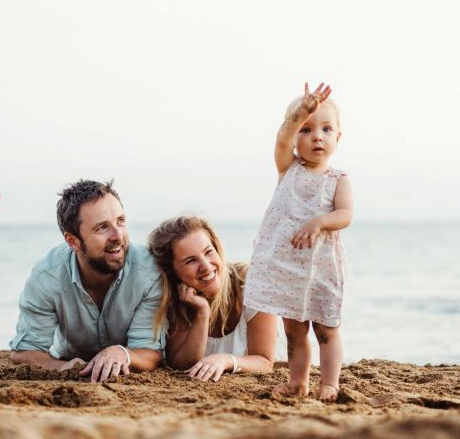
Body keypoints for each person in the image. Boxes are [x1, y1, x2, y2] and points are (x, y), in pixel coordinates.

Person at [243, 82, 353, 402]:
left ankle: (329, 382)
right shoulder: (287, 168)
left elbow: (345, 214)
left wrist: (319, 221)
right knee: (294, 331)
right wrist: (296, 115)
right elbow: (281, 139)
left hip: (321, 268)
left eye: (326, 128)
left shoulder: (338, 180)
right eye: (306, 129)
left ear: (337, 138)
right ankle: (297, 382)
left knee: (326, 329)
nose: (317, 136)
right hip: (288, 268)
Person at [10, 180, 163, 382]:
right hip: (69, 358)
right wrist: (62, 366)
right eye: (102, 228)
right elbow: (24, 352)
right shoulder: (46, 277)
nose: (118, 236)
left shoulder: (148, 272)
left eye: (121, 221)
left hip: (127, 365)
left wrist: (121, 353)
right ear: (73, 241)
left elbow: (149, 351)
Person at [148, 215, 281, 382]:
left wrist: (225, 360)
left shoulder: (251, 282)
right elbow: (182, 365)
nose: (206, 266)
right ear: (172, 273)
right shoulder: (176, 299)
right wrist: (202, 313)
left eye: (208, 252)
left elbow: (265, 362)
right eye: (190, 261)